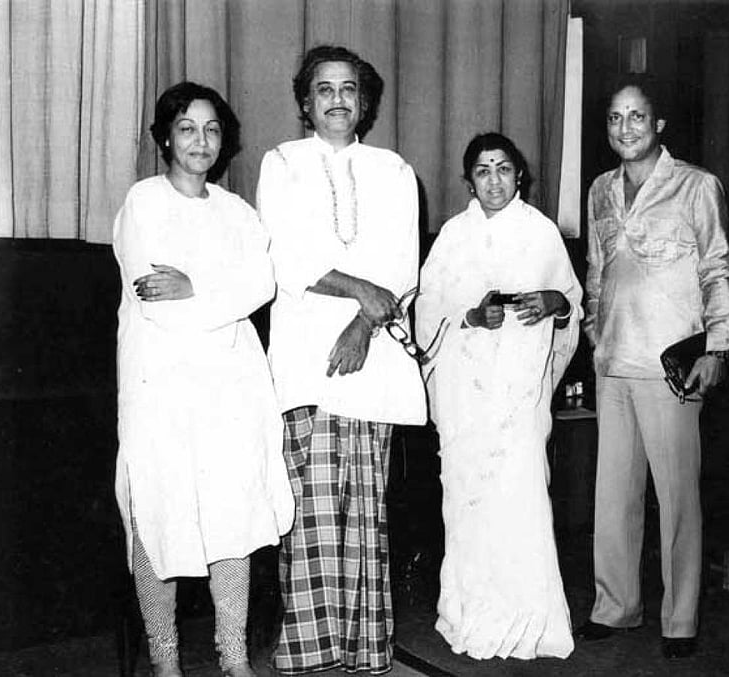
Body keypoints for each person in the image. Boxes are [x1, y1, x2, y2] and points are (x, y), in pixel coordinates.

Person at [112, 81, 294, 677]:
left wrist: (196, 285)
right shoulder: (143, 203)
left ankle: (232, 651)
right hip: (161, 387)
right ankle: (165, 658)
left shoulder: (238, 212)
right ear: (165, 136)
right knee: (159, 520)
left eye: (212, 129)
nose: (201, 140)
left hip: (231, 388)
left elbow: (261, 285)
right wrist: (218, 292)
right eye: (187, 128)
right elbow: (157, 300)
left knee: (230, 517)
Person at [255, 45, 427, 675]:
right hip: (307, 363)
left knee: (365, 512)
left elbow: (400, 268)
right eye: (323, 89)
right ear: (306, 101)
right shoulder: (282, 164)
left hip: (372, 358)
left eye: (349, 89)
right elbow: (287, 257)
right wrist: (360, 293)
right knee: (312, 513)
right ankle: (307, 651)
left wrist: (363, 322)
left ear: (365, 101)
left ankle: (365, 650)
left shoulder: (394, 170)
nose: (337, 100)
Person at [574, 73, 729, 660]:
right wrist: (595, 331)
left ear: (659, 123)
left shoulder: (697, 187)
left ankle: (680, 620)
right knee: (612, 497)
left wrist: (717, 349)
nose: (625, 128)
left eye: (637, 117)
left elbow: (718, 269)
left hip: (671, 369)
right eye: (616, 118)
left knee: (677, 499)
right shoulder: (598, 190)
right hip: (613, 364)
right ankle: (614, 606)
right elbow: (595, 274)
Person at [415, 132, 582, 661]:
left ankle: (531, 623)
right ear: (469, 181)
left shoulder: (541, 232)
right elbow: (424, 311)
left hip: (519, 398)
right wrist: (468, 315)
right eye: (483, 171)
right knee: (467, 506)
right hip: (466, 398)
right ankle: (469, 616)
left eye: (503, 168)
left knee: (523, 501)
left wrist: (555, 301)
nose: (494, 179)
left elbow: (571, 301)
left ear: (520, 176)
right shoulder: (452, 238)